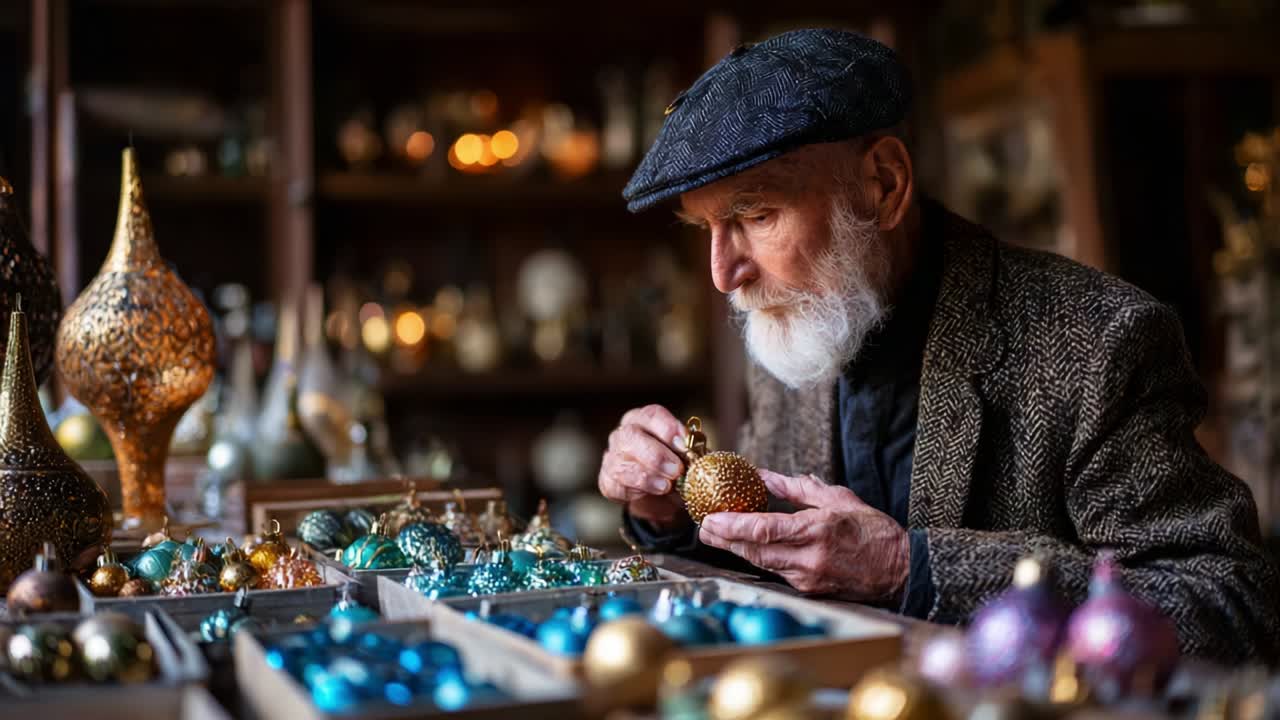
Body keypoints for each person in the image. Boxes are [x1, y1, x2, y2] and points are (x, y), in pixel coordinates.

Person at [597, 28, 1279, 663]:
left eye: (756, 214)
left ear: (884, 183)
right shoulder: (790, 328)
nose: (724, 276)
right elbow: (778, 578)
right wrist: (667, 515)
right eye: (706, 228)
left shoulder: (1102, 338)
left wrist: (910, 569)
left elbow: (1228, 602)